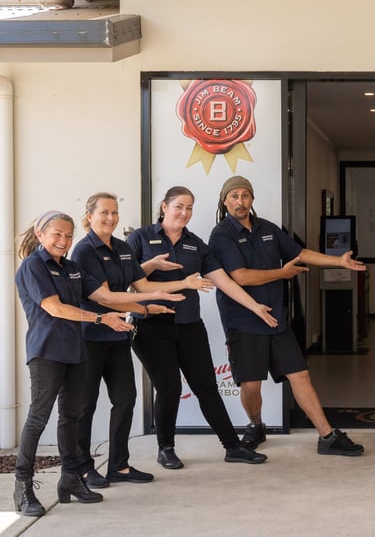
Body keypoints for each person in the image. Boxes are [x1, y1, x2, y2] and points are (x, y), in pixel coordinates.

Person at [13, 211, 184, 517]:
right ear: (40, 234)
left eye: (68, 235)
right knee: (38, 418)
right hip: (47, 352)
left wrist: (145, 307)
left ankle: (70, 479)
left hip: (75, 351)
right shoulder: (33, 265)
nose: (64, 240)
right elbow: (55, 308)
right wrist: (99, 319)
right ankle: (22, 487)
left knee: (71, 417)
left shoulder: (71, 268)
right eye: (57, 234)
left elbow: (103, 297)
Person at [208, 176, 365, 456]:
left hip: (277, 319)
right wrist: (283, 273)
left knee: (300, 375)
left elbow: (299, 252)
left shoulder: (268, 228)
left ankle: (327, 436)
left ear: (252, 199)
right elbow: (241, 277)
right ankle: (256, 425)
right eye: (234, 196)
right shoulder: (222, 234)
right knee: (251, 384)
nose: (240, 202)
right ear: (225, 200)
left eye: (245, 195)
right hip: (243, 320)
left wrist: (337, 261)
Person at [127, 186, 278, 469]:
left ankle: (232, 447)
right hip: (151, 326)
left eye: (189, 208)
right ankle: (166, 449)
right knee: (169, 388)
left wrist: (254, 306)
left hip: (189, 325)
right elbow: (129, 279)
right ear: (164, 207)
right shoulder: (141, 237)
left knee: (207, 387)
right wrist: (152, 265)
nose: (184, 213)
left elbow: (224, 281)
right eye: (178, 206)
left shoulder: (195, 244)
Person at [72, 192, 215, 488]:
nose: (111, 218)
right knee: (85, 404)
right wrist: (148, 304)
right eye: (104, 213)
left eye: (114, 212)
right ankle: (82, 468)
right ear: (89, 216)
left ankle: (119, 466)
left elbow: (142, 284)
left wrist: (169, 290)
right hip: (91, 336)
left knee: (126, 399)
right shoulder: (84, 251)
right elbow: (104, 297)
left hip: (119, 334)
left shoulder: (123, 248)